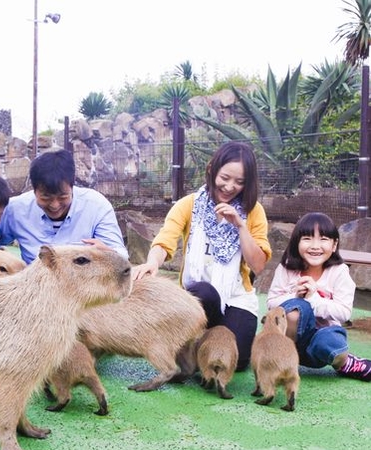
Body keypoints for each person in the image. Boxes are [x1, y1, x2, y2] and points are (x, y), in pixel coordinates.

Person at [133, 141, 272, 371]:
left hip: (236, 298)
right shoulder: (189, 204)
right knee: (205, 292)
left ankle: (196, 345)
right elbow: (166, 239)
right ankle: (192, 341)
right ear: (212, 170)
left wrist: (240, 226)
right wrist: (152, 262)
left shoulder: (253, 211)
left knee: (238, 361)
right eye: (225, 177)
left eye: (239, 182)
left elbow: (258, 265)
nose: (229, 187)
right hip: (199, 298)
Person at [267, 212, 370, 382]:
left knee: (329, 340)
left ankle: (345, 362)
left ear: (334, 244)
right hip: (288, 341)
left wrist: (313, 298)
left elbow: (344, 313)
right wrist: (296, 296)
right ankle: (282, 364)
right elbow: (271, 303)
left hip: (320, 346)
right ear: (296, 243)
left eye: (323, 239)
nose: (315, 246)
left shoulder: (339, 272)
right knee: (296, 308)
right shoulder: (286, 269)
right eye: (307, 238)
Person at [0, 148, 128, 264]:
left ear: (72, 186)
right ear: (34, 189)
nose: (55, 205)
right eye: (46, 197)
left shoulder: (96, 205)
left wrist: (109, 253)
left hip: (84, 286)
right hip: (35, 287)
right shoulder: (15, 209)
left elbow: (121, 256)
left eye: (62, 197)